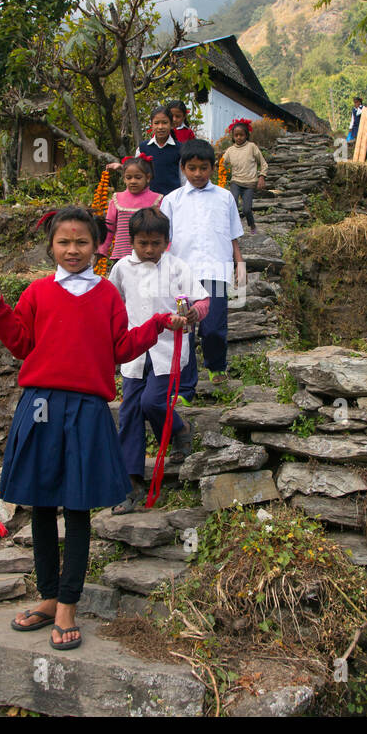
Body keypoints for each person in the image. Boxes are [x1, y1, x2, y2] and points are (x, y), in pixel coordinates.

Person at [0, 206, 187, 649]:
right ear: (51, 246)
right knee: (39, 505)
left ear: (99, 246)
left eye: (82, 242)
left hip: (88, 408)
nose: (73, 250)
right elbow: (19, 343)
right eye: (64, 242)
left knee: (76, 509)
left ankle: (69, 603)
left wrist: (156, 324)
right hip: (40, 406)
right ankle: (49, 597)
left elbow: (120, 348)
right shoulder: (37, 292)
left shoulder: (108, 296)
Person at [108, 207, 210, 514]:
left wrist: (195, 313)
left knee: (152, 403)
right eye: (143, 243)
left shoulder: (177, 267)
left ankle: (178, 428)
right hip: (134, 350)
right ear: (132, 241)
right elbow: (111, 302)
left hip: (168, 349)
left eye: (156, 243)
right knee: (128, 414)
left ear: (167, 241)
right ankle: (132, 482)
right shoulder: (122, 268)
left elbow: (202, 300)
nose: (150, 249)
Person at [161, 139, 246, 392]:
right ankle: (186, 387)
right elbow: (164, 239)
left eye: (204, 168)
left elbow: (232, 234)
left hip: (216, 272)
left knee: (214, 327)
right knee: (185, 329)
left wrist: (239, 263)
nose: (198, 174)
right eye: (192, 168)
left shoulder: (225, 198)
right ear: (183, 168)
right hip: (182, 275)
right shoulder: (172, 200)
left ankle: (216, 364)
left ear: (212, 168)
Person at [98, 155, 162, 264]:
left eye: (138, 177)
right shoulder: (117, 199)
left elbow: (163, 230)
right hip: (121, 257)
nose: (133, 181)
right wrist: (101, 251)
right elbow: (109, 228)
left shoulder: (157, 200)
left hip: (149, 257)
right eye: (128, 177)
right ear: (124, 178)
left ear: (148, 177)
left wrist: (164, 251)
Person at [221, 117, 267, 235]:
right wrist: (217, 165)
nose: (239, 137)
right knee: (233, 204)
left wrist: (262, 176)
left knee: (246, 209)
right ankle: (233, 229)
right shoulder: (230, 150)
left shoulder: (252, 147)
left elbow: (263, 163)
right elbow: (222, 162)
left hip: (250, 183)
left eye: (241, 135)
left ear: (246, 135)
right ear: (233, 136)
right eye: (236, 135)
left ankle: (252, 225)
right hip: (236, 181)